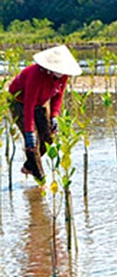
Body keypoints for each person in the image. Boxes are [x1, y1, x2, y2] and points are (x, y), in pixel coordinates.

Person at [8, 45, 82, 182]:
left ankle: (28, 167)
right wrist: (29, 132)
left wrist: (54, 115)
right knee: (33, 143)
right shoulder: (35, 75)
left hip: (41, 103)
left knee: (48, 139)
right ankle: (40, 181)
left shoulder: (63, 76)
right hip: (20, 103)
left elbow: (58, 96)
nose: (62, 73)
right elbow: (28, 104)